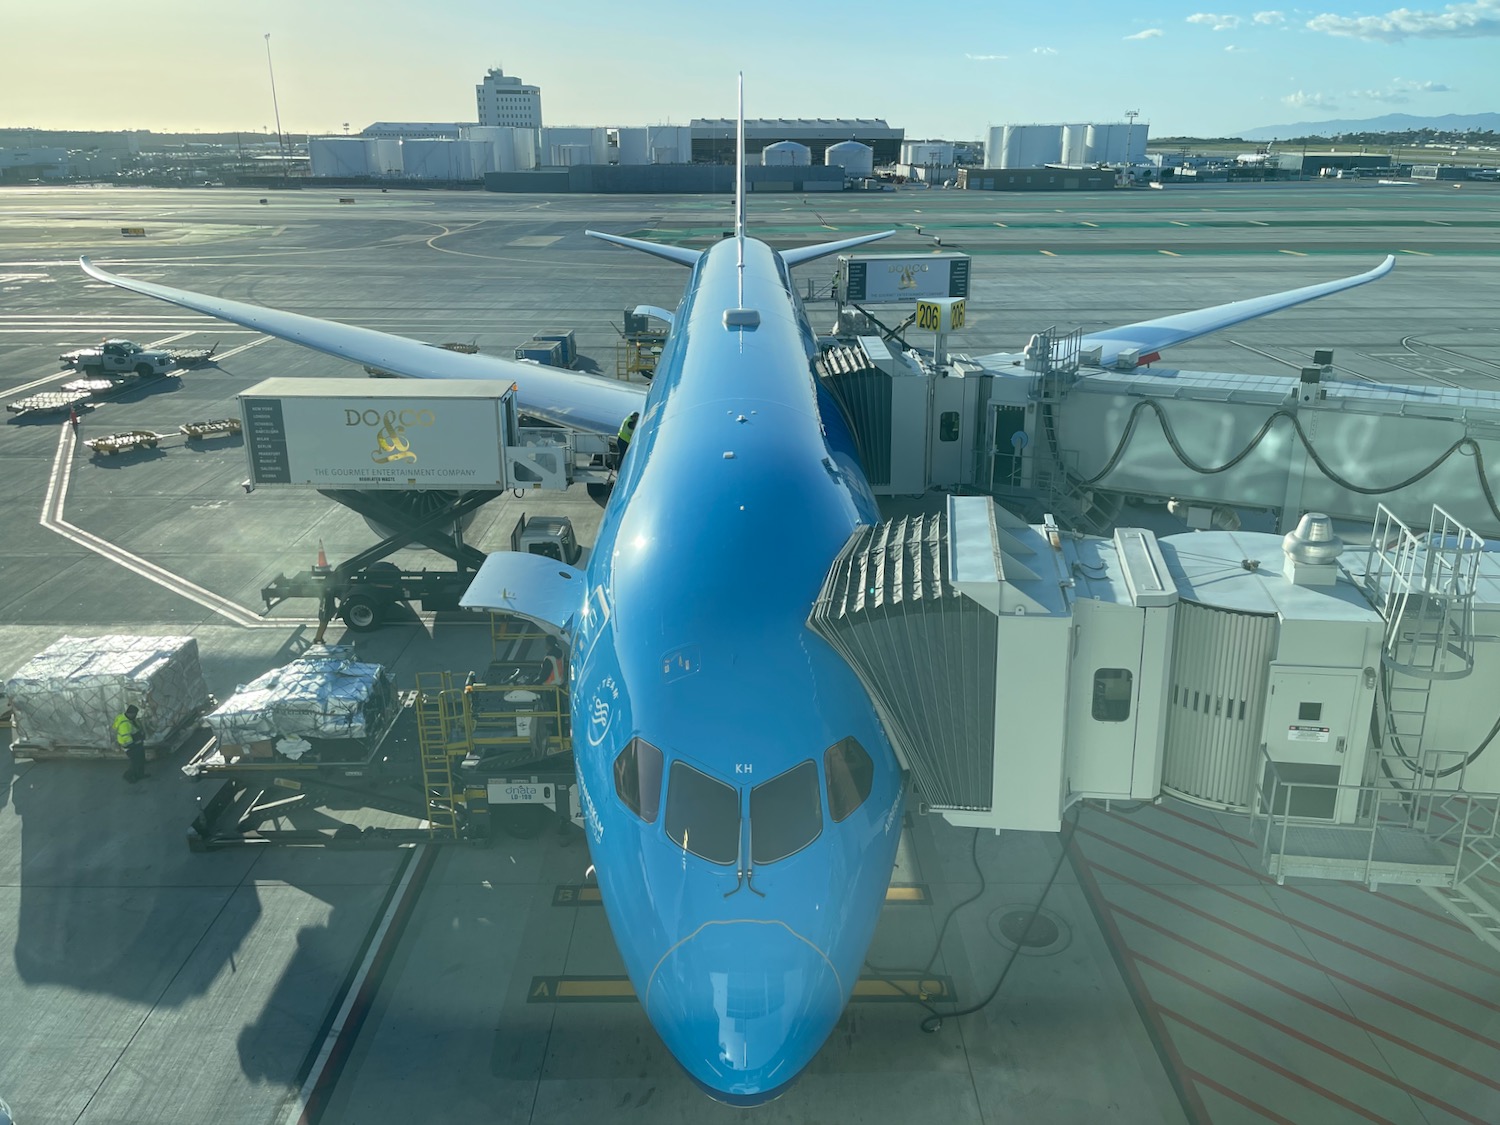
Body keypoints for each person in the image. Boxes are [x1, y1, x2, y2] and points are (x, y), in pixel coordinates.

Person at [114, 704, 146, 783]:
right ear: (130, 714)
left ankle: (140, 774)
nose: (135, 716)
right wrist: (136, 742)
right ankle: (128, 776)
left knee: (141, 759)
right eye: (135, 714)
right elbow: (126, 738)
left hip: (136, 743)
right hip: (131, 746)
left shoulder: (126, 718)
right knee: (136, 762)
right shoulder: (124, 724)